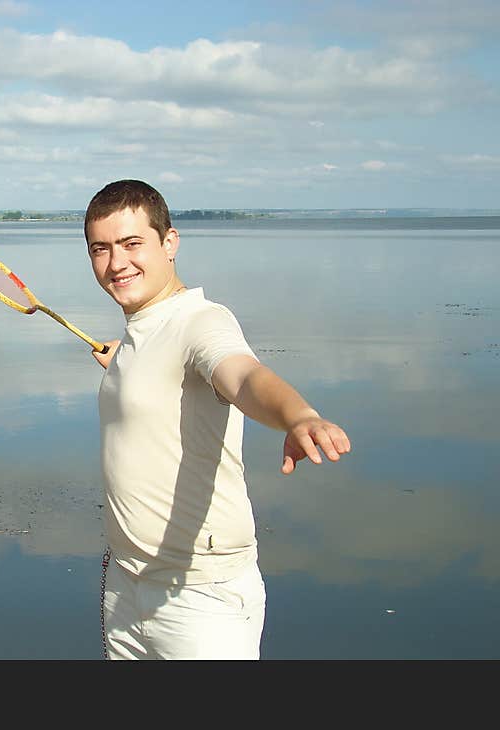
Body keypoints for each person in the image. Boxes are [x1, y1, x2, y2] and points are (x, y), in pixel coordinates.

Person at [86, 179, 351, 660]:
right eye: (100, 249)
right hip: (125, 586)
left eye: (131, 244)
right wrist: (126, 362)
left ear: (169, 243)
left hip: (200, 597)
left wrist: (299, 415)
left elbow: (243, 375)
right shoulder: (139, 335)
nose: (116, 263)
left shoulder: (202, 321)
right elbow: (158, 376)